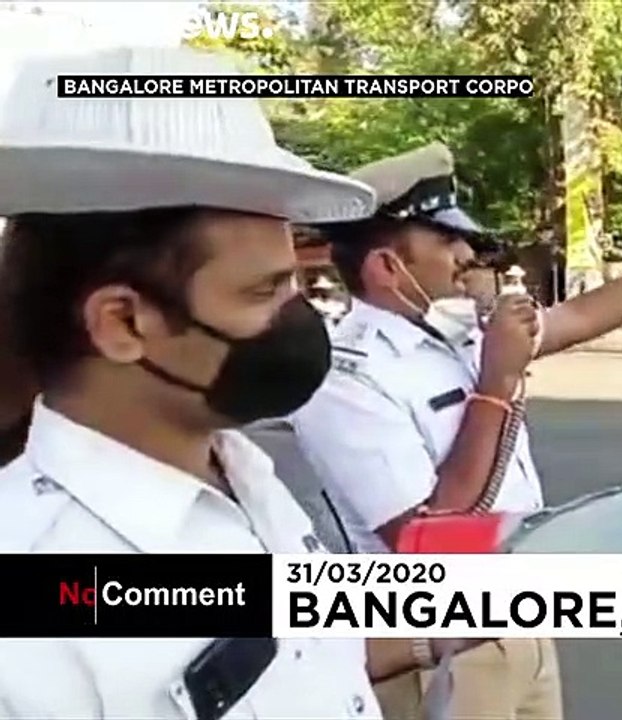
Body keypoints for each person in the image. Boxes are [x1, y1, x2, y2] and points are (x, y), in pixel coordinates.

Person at [0, 46, 483, 719]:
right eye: (265, 292)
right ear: (123, 323)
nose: (301, 319)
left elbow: (310, 652)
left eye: (295, 282)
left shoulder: (240, 473)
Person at [288, 142, 622, 720]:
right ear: (388, 266)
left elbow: (580, 317)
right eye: (445, 241)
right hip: (437, 652)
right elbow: (423, 541)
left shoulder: (455, 327)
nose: (466, 254)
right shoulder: (345, 375)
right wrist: (496, 384)